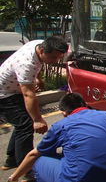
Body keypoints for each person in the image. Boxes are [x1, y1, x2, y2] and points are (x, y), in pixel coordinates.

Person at [7, 92, 106, 182]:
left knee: (38, 160)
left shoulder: (61, 125)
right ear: (84, 105)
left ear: (63, 113)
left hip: (79, 178)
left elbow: (33, 155)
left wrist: (14, 177)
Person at [0, 36, 68, 179]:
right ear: (42, 50)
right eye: (53, 57)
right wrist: (37, 119)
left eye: (59, 57)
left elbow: (40, 65)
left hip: (14, 89)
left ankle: (11, 159)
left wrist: (39, 79)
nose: (56, 61)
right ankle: (26, 169)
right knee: (26, 125)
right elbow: (29, 95)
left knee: (21, 124)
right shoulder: (26, 64)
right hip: (5, 94)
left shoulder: (38, 44)